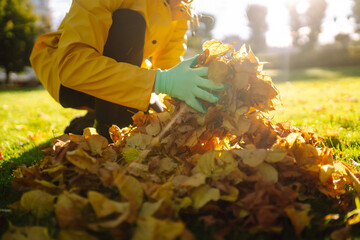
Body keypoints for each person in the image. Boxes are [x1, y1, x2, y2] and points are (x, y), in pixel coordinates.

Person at [30, 0, 224, 140]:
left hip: (115, 75)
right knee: (130, 22)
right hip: (67, 76)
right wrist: (163, 81)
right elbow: (73, 67)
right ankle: (104, 128)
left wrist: (184, 105)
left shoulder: (179, 8)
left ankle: (90, 121)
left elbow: (169, 64)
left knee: (154, 118)